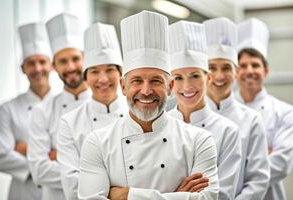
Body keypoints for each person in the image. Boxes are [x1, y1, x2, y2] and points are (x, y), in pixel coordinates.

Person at [78, 10, 219, 200]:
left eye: (156, 81)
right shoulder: (97, 142)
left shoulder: (199, 140)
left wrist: (126, 195)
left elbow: (208, 198)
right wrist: (177, 197)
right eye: (136, 81)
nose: (146, 91)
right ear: (123, 87)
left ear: (170, 87)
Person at [168, 20, 242, 200]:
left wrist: (173, 196)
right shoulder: (157, 126)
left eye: (195, 76)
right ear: (169, 84)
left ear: (208, 78)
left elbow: (223, 194)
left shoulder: (228, 131)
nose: (187, 86)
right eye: (178, 77)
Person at [57, 22, 127, 200]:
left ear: (120, 74)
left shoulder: (136, 114)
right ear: (86, 78)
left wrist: (96, 186)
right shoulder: (69, 122)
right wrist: (123, 193)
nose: (103, 79)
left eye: (110, 69)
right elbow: (72, 186)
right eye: (95, 71)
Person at [203, 17, 270, 199]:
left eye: (226, 68)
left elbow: (258, 180)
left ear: (236, 72)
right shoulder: (187, 117)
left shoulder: (251, 119)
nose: (218, 76)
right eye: (211, 68)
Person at [27, 13, 91, 200]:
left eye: (75, 58)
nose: (70, 67)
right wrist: (95, 170)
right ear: (54, 66)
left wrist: (63, 160)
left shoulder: (103, 106)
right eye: (63, 61)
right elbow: (39, 171)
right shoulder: (42, 111)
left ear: (85, 58)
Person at [0, 22, 54, 200]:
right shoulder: (7, 109)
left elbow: (71, 155)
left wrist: (27, 150)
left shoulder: (64, 106)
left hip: (59, 193)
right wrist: (48, 158)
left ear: (51, 65)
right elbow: (2, 157)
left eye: (42, 62)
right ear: (22, 68)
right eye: (30, 63)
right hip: (22, 194)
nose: (37, 69)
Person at [236, 18, 293, 200]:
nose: (249, 70)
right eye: (243, 66)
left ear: (266, 71)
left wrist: (233, 171)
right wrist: (260, 158)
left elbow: (281, 164)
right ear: (235, 72)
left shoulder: (285, 112)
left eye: (255, 65)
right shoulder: (223, 109)